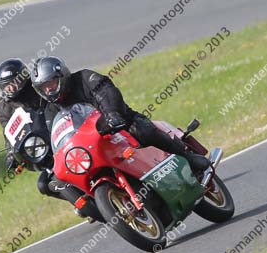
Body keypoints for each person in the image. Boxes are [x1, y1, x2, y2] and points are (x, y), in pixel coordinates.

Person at [31, 56, 211, 175]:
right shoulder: (51, 111)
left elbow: (107, 92)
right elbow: (55, 135)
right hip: (90, 143)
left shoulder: (84, 78)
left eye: (51, 83)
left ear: (61, 75)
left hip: (118, 124)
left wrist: (112, 114)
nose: (49, 89)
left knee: (143, 131)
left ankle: (187, 157)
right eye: (44, 87)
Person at [0, 59, 102, 220]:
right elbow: (8, 132)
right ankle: (82, 202)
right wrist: (11, 154)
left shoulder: (36, 86)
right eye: (7, 85)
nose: (11, 87)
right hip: (40, 144)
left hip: (62, 129)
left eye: (14, 82)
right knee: (44, 184)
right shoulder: (4, 106)